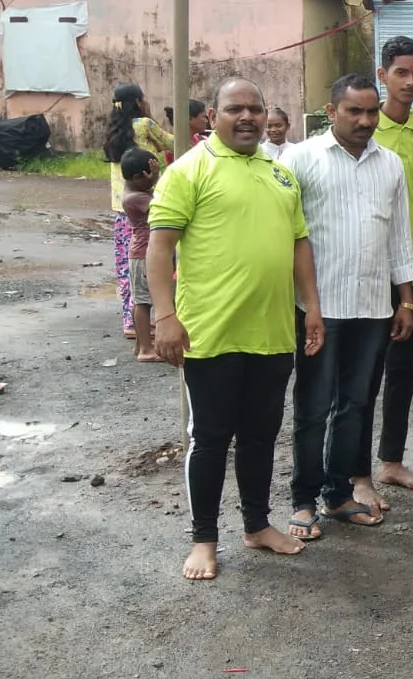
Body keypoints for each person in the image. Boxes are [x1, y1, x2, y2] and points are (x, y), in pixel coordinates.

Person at [147, 77, 323, 581]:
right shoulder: (189, 171)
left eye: (254, 108)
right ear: (215, 116)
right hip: (210, 333)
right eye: (234, 109)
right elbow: (159, 248)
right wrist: (164, 317)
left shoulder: (279, 172)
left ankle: (257, 526)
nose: (246, 117)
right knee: (210, 438)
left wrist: (311, 307)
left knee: (262, 435)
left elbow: (299, 244)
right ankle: (204, 540)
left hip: (270, 331)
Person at [283, 74, 413, 538]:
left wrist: (405, 299)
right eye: (354, 111)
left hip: (373, 306)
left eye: (371, 111)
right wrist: (300, 305)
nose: (364, 121)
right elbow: (289, 235)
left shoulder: (391, 164)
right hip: (319, 306)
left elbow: (398, 236)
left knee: (356, 404)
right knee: (314, 404)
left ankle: (339, 494)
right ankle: (303, 499)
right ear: (331, 110)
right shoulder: (300, 158)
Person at [362, 35, 413, 503]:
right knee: (360, 377)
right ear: (382, 76)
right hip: (365, 275)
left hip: (410, 272)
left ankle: (390, 461)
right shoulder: (364, 129)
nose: (411, 82)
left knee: (403, 371)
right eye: (402, 73)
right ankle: (355, 475)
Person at [105, 83, 172, 338]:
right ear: (138, 102)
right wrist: (152, 118)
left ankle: (130, 321)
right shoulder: (144, 125)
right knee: (152, 264)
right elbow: (172, 142)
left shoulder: (113, 131)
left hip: (121, 207)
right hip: (145, 204)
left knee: (126, 268)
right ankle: (151, 318)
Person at [119, 148, 162, 363]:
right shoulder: (136, 197)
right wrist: (159, 179)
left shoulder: (135, 191)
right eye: (148, 177)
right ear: (137, 178)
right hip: (144, 253)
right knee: (144, 302)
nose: (151, 181)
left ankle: (140, 345)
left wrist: (152, 180)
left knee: (141, 300)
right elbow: (163, 206)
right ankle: (146, 348)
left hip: (141, 252)